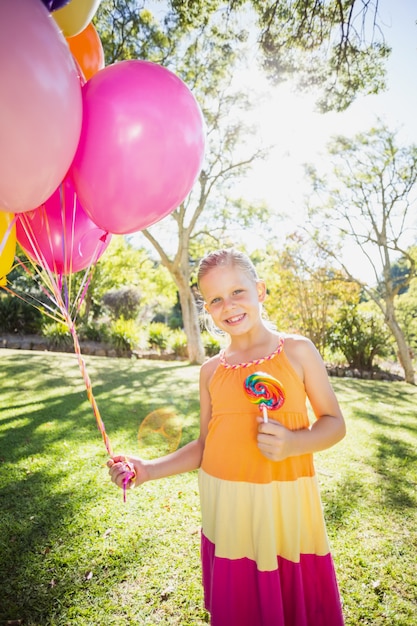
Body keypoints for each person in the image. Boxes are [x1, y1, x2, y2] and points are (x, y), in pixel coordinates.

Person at [108, 248, 346, 626]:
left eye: (237, 292)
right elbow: (205, 445)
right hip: (228, 508)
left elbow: (335, 423)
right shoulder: (210, 371)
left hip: (281, 505)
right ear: (207, 308)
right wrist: (148, 470)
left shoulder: (298, 351)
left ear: (261, 291)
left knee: (288, 603)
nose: (228, 306)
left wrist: (294, 443)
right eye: (215, 299)